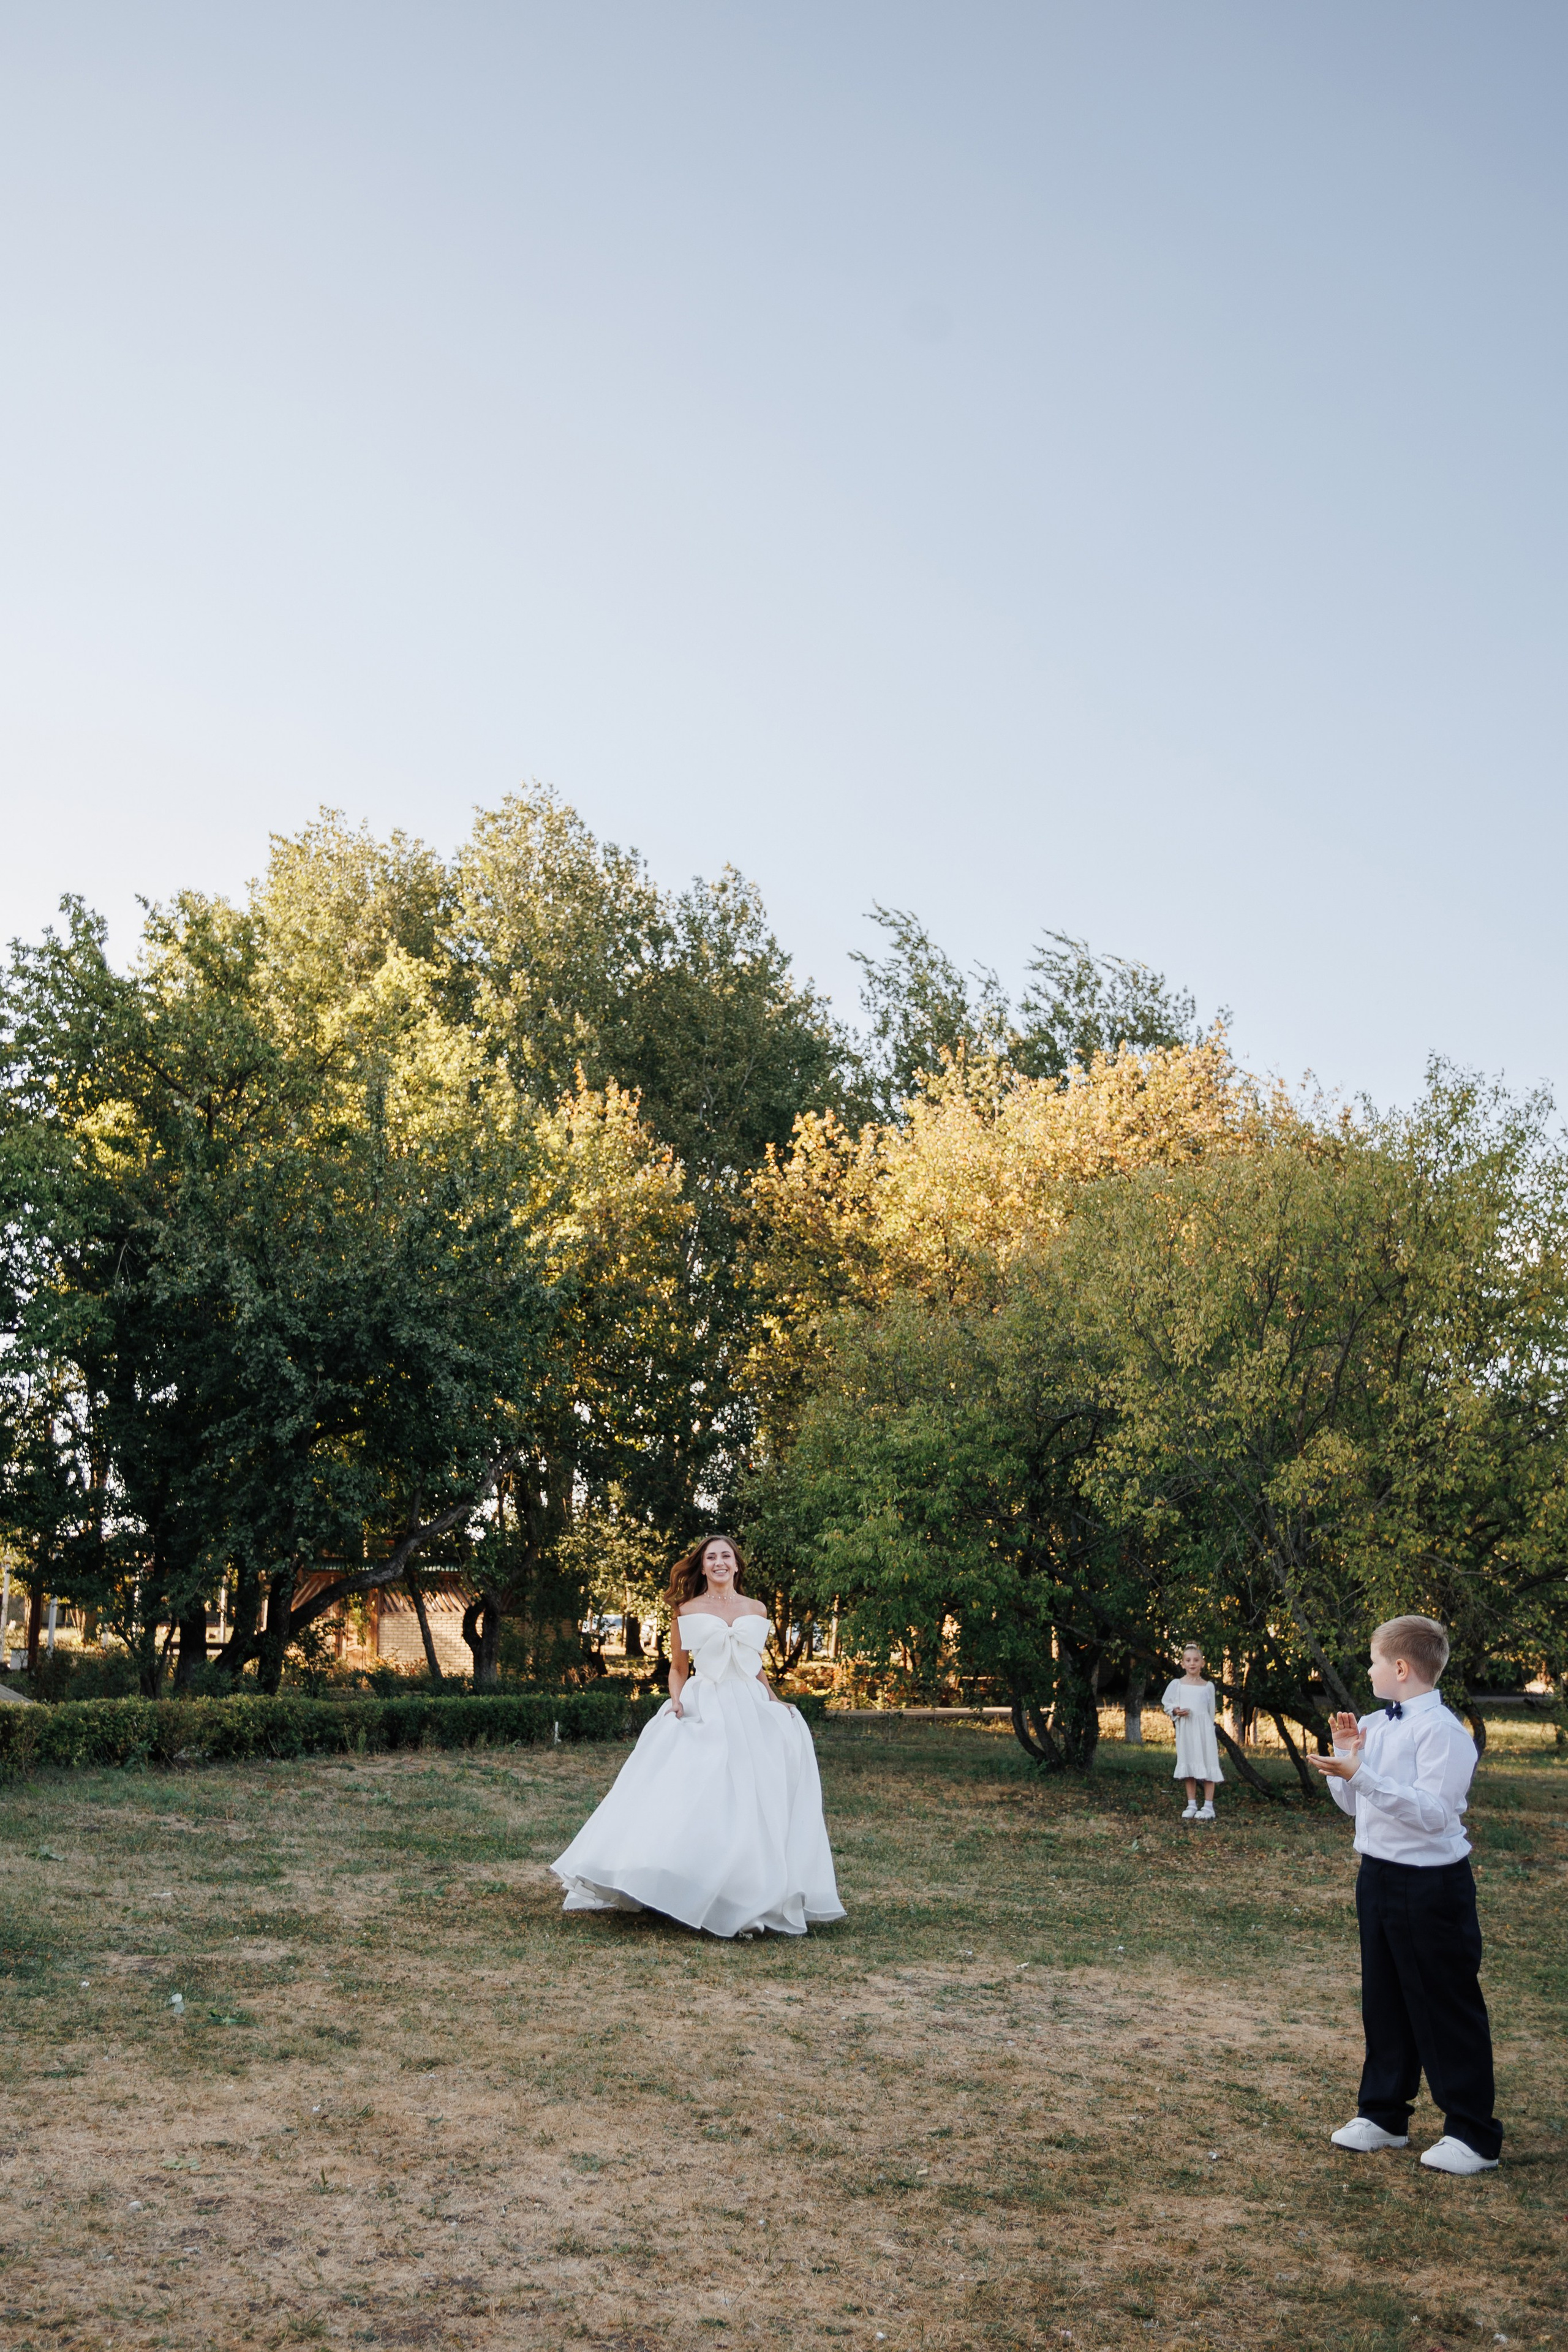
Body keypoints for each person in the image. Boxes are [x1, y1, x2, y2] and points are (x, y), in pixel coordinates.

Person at [551, 1534, 846, 1940]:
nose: (720, 1562)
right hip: (705, 1701)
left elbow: (754, 1666)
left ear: (737, 1565)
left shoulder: (757, 1609)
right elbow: (678, 1668)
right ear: (703, 1566)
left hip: (749, 1703)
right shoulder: (686, 1610)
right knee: (699, 1792)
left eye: (726, 1556)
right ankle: (682, 1879)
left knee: (755, 1796)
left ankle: (750, 1892)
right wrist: (676, 1701)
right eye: (712, 1557)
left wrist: (775, 1702)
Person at [1310, 1613, 1501, 2176]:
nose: (1368, 1669)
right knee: (1385, 1999)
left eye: (1373, 1660)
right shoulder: (1376, 1722)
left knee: (1445, 2003)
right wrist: (1346, 1761)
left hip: (1431, 1884)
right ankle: (1385, 2114)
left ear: (1400, 1667)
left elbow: (1434, 1815)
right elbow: (1358, 1807)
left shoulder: (1442, 1734)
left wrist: (1362, 1775)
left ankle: (1473, 2134)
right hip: (1378, 1875)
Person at [1162, 1642, 1224, 1820]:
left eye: (1196, 1660)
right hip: (1187, 1730)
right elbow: (1168, 1703)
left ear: (1202, 1663)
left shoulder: (1208, 1686)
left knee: (1207, 1763)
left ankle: (1208, 1807)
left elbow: (1211, 1712)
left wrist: (1207, 1728)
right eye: (1188, 1660)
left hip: (1203, 1731)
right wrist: (1176, 1711)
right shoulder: (1177, 1684)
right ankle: (1191, 1804)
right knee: (1188, 1764)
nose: (1192, 1663)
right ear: (1182, 1664)